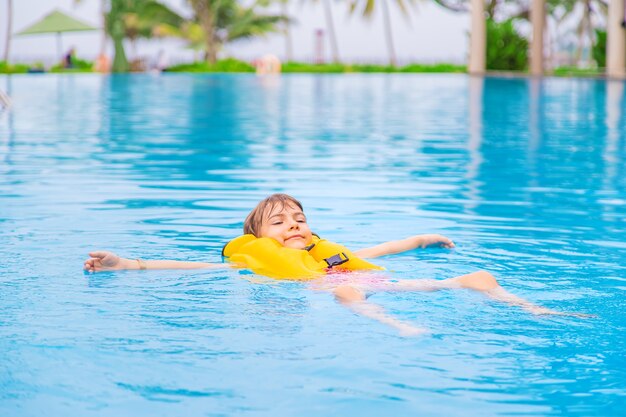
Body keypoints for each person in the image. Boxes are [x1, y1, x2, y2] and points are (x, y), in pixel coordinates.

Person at [84, 193, 584, 336]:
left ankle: (534, 310)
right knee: (348, 292)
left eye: (299, 219)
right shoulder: (252, 263)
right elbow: (191, 268)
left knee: (475, 277)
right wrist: (127, 263)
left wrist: (421, 238)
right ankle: (393, 324)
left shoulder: (329, 254)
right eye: (280, 223)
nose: (294, 226)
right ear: (257, 238)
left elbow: (382, 252)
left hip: (364, 279)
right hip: (342, 291)